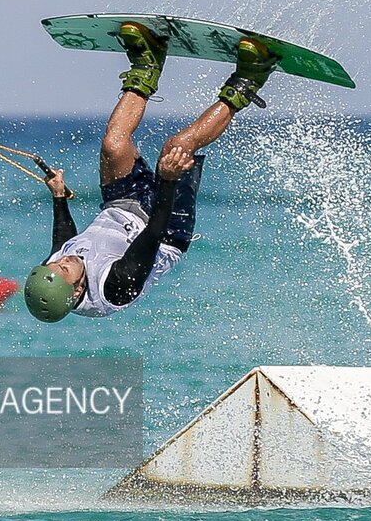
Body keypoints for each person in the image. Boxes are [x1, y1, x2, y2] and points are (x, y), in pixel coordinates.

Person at [23, 21, 276, 323]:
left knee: (113, 145)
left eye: (54, 265)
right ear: (77, 292)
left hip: (120, 208)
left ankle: (147, 63)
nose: (62, 261)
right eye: (64, 268)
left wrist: (59, 196)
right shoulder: (116, 287)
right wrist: (167, 180)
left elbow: (63, 244)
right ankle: (249, 79)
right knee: (178, 146)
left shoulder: (52, 273)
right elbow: (153, 233)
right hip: (165, 230)